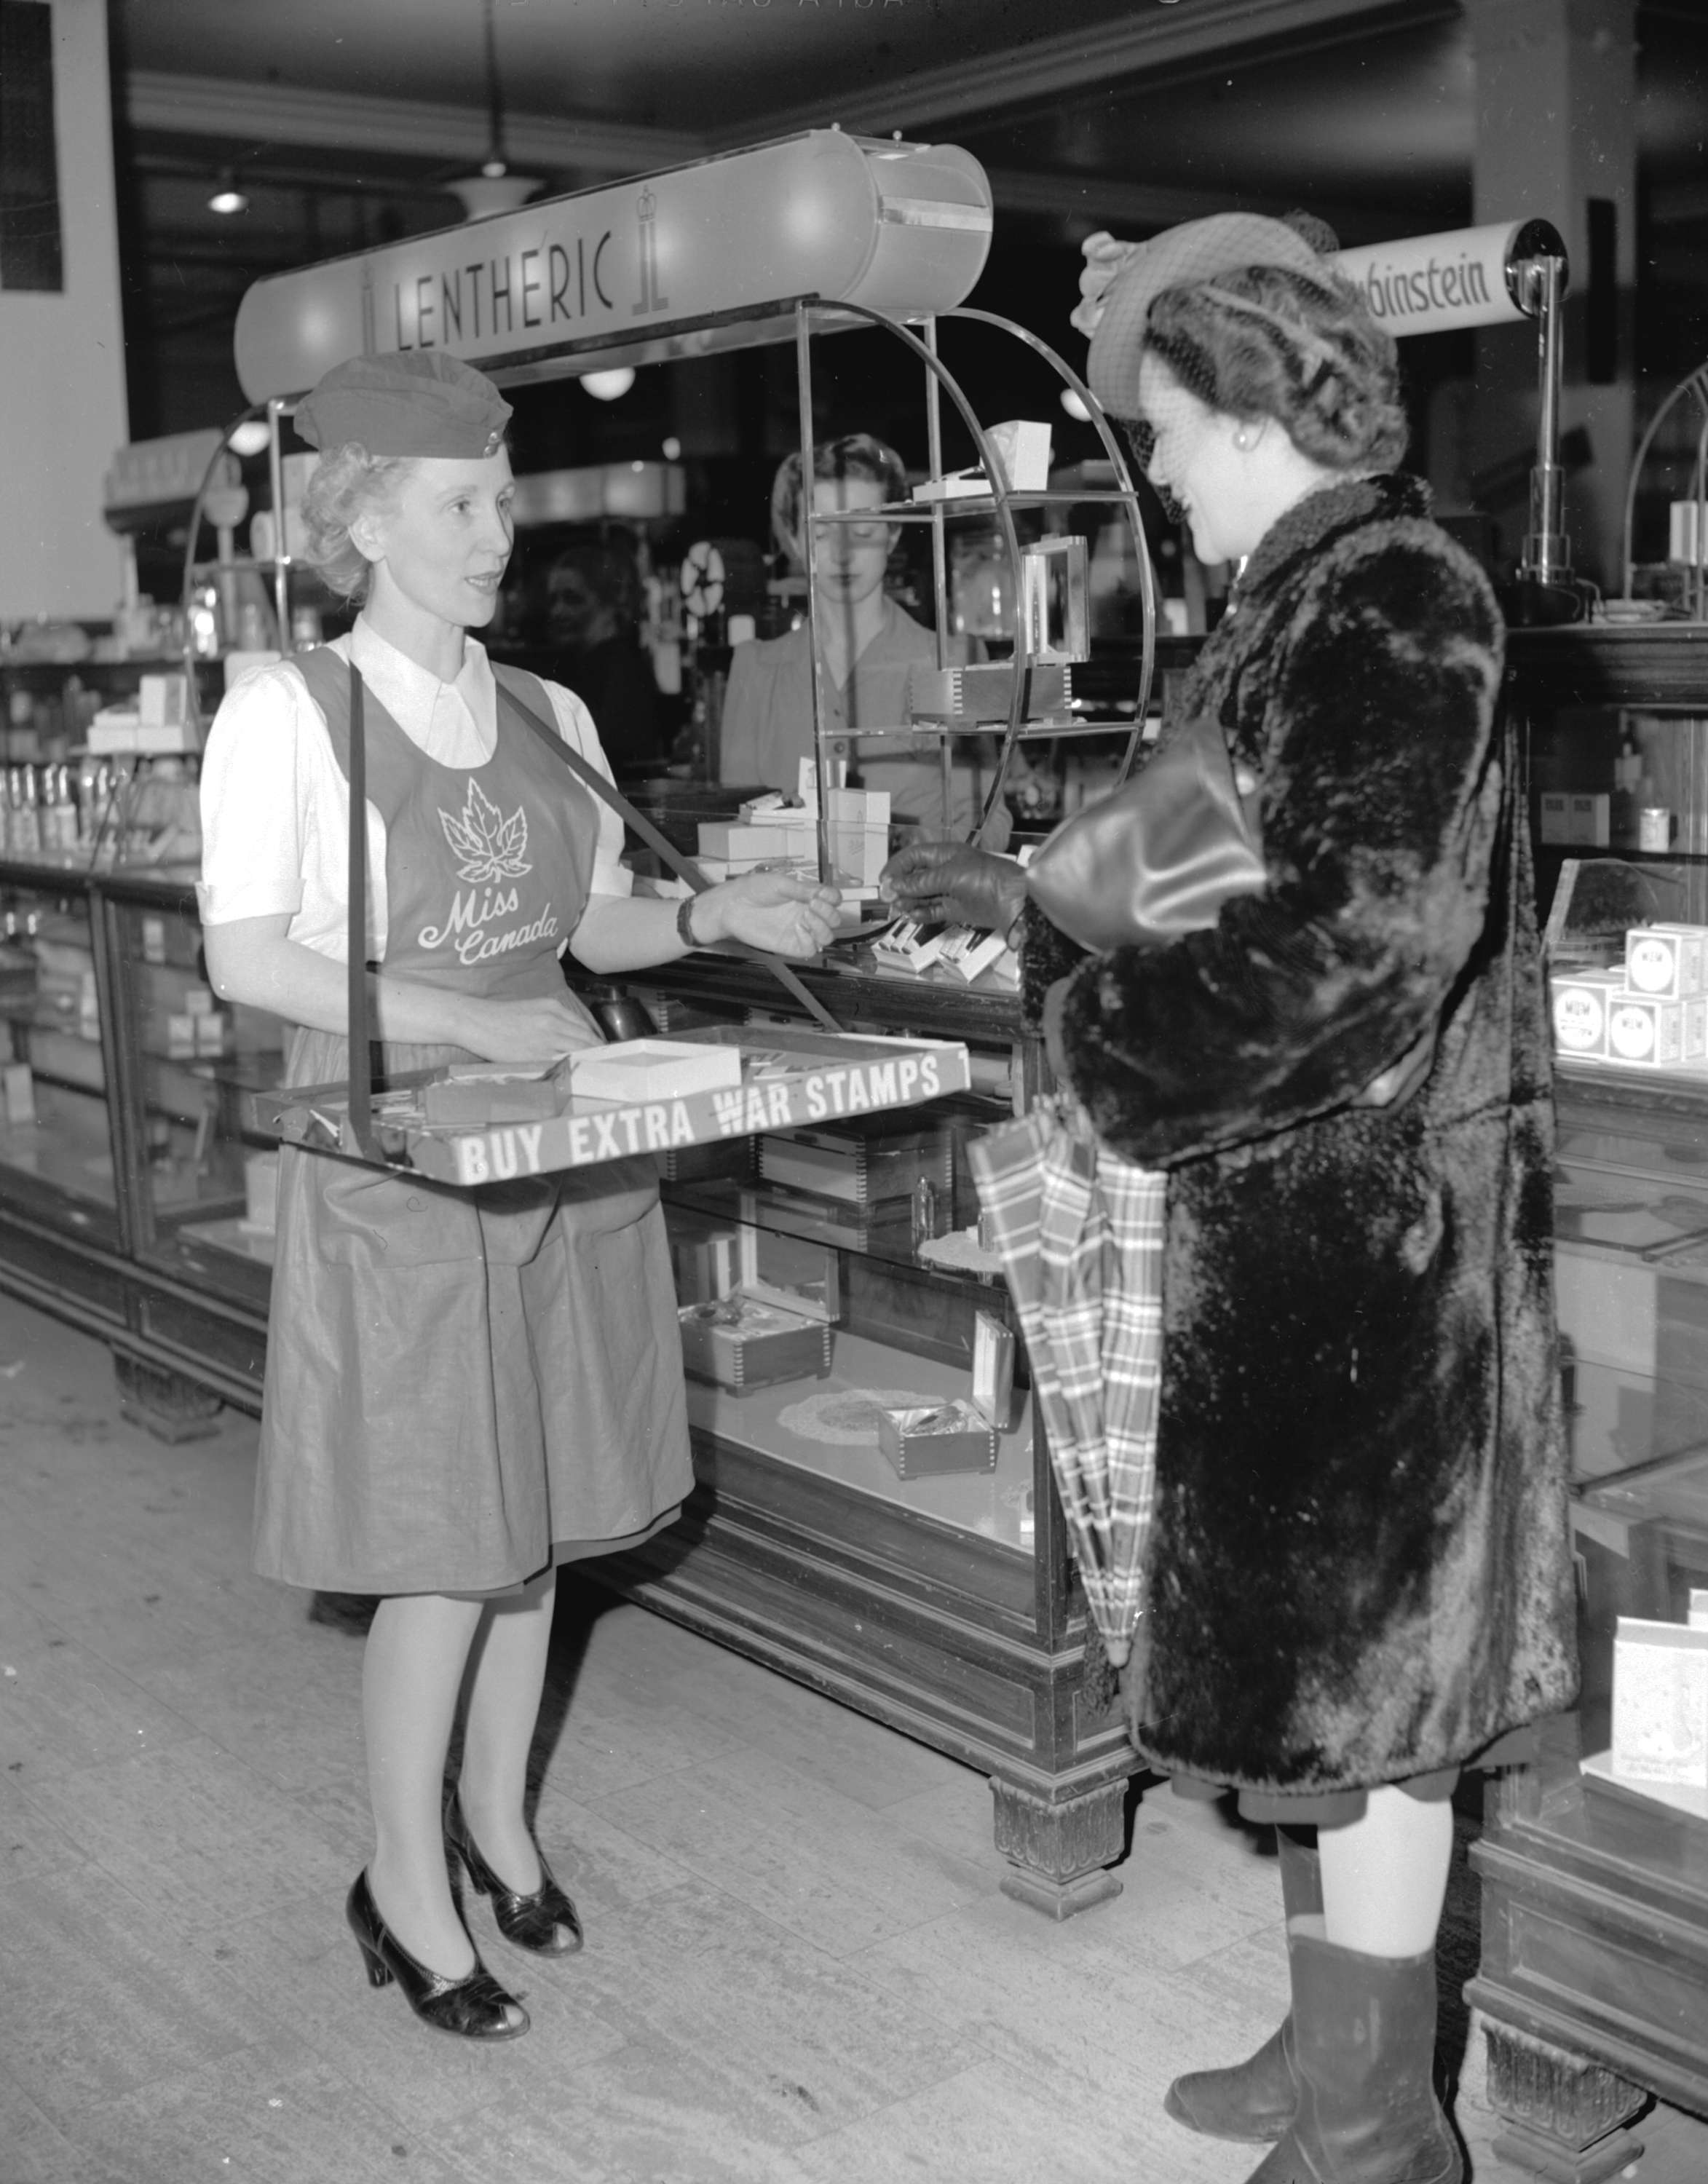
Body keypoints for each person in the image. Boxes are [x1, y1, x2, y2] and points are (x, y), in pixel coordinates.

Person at [885, 213, 1576, 2184]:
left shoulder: (1395, 594)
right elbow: (1203, 829)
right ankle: (1329, 2045)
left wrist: (1105, 1047)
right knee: (1302, 1679)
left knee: (1372, 1696)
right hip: (1290, 1232)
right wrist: (1028, 899)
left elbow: (1366, 935)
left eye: (1167, 429)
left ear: (1256, 398)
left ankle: (1381, 2141)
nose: (1156, 474)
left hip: (1375, 1244)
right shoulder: (1307, 594)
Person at [198, 350, 838, 2043]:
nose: (500, 528)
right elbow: (246, 952)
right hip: (403, 1177)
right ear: (364, 516)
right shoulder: (285, 711)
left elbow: (593, 924)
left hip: (564, 1152)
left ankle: (494, 1822)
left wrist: (710, 924)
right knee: (439, 1544)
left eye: (500, 496)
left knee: (537, 1520)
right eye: (464, 501)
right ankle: (399, 1876)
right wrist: (458, 1007)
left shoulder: (552, 711)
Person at [718, 432, 1013, 849]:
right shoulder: (754, 668)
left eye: (862, 530)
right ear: (797, 540)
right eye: (822, 531)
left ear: (893, 533)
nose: (841, 553)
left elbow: (985, 813)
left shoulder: (955, 658)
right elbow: (734, 829)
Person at [543, 537, 665, 774]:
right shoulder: (582, 662)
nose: (558, 611)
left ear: (607, 602)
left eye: (572, 598)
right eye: (554, 600)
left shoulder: (621, 668)